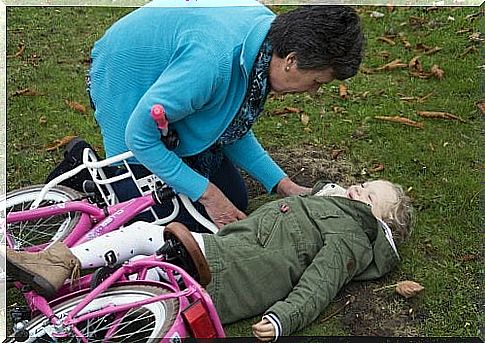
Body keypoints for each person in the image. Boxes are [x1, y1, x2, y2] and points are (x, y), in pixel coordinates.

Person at [7, 179, 413, 341]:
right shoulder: (334, 211)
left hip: (231, 265)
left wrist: (282, 319)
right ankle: (77, 288)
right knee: (146, 261)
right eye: (361, 185)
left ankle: (57, 263)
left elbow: (320, 283)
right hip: (230, 252)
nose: (356, 190)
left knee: (144, 235)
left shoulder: (351, 235)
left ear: (380, 222)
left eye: (368, 195)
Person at [85, 0, 364, 230]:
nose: (314, 91)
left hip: (176, 81)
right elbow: (139, 135)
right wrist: (208, 194)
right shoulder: (212, 63)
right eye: (317, 81)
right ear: (291, 61)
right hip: (124, 79)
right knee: (174, 226)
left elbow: (229, 120)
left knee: (235, 197)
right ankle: (88, 176)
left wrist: (282, 184)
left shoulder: (267, 43)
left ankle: (182, 145)